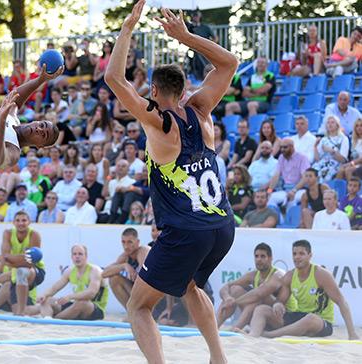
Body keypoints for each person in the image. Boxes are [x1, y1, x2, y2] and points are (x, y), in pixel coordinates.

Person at [106, 4, 237, 362]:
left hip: (187, 230)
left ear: (153, 89)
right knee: (190, 285)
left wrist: (128, 27)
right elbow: (229, 63)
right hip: (223, 225)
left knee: (138, 306)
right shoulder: (201, 108)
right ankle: (218, 357)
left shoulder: (157, 121)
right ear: (183, 89)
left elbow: (114, 80)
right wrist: (185, 37)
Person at [248, 240, 358, 340]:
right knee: (261, 309)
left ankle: (268, 335)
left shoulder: (321, 274)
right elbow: (281, 300)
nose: (297, 257)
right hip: (299, 316)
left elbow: (341, 302)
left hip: (321, 321)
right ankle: (252, 336)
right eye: (294, 254)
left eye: (301, 254)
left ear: (310, 256)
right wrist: (278, 304)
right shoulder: (290, 276)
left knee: (310, 318)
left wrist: (352, 333)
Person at [216, 243, 284, 331]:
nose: (259, 259)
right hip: (258, 318)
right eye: (256, 256)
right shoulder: (253, 275)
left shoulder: (278, 275)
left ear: (270, 259)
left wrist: (234, 302)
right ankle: (214, 326)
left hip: (280, 318)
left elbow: (259, 294)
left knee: (257, 298)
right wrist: (228, 298)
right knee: (234, 290)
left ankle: (235, 329)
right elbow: (226, 286)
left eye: (263, 256)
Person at [30, 245, 108, 320]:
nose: (77, 256)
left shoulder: (95, 270)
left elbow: (91, 293)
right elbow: (55, 288)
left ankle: (54, 319)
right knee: (47, 299)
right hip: (75, 305)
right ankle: (48, 318)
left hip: (94, 308)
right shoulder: (70, 271)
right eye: (74, 254)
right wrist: (44, 295)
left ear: (86, 256)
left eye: (80, 254)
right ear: (71, 257)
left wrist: (70, 297)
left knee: (82, 303)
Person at [0, 210, 46, 315]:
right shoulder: (7, 233)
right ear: (13, 222)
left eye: (24, 220)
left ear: (29, 222)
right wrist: (18, 258)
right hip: (16, 273)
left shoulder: (34, 235)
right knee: (16, 310)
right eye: (18, 220)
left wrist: (9, 259)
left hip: (36, 271)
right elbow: (4, 258)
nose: (21, 223)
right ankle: (43, 307)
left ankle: (21, 311)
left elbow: (30, 262)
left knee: (21, 272)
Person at [101, 228, 150, 311]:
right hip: (141, 296)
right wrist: (124, 266)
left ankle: (139, 312)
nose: (126, 246)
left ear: (137, 242)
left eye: (130, 242)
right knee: (114, 279)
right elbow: (104, 274)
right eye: (123, 242)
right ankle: (132, 312)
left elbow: (145, 277)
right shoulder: (125, 256)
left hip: (156, 296)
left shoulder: (143, 251)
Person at [266, 138, 310, 209]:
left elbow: (305, 178)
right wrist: (269, 190)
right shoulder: (281, 158)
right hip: (285, 189)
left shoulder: (302, 158)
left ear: (292, 147)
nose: (282, 149)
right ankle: (278, 219)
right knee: (270, 199)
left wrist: (294, 190)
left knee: (292, 199)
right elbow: (276, 176)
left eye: (285, 147)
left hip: (300, 189)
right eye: (281, 147)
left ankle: (290, 219)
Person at [312, 115, 350, 183]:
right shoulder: (323, 139)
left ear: (337, 125)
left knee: (326, 173)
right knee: (311, 173)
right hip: (322, 163)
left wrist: (331, 151)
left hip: (336, 164)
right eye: (328, 122)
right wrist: (315, 147)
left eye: (332, 122)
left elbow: (343, 159)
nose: (330, 124)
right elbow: (318, 159)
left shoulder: (343, 139)